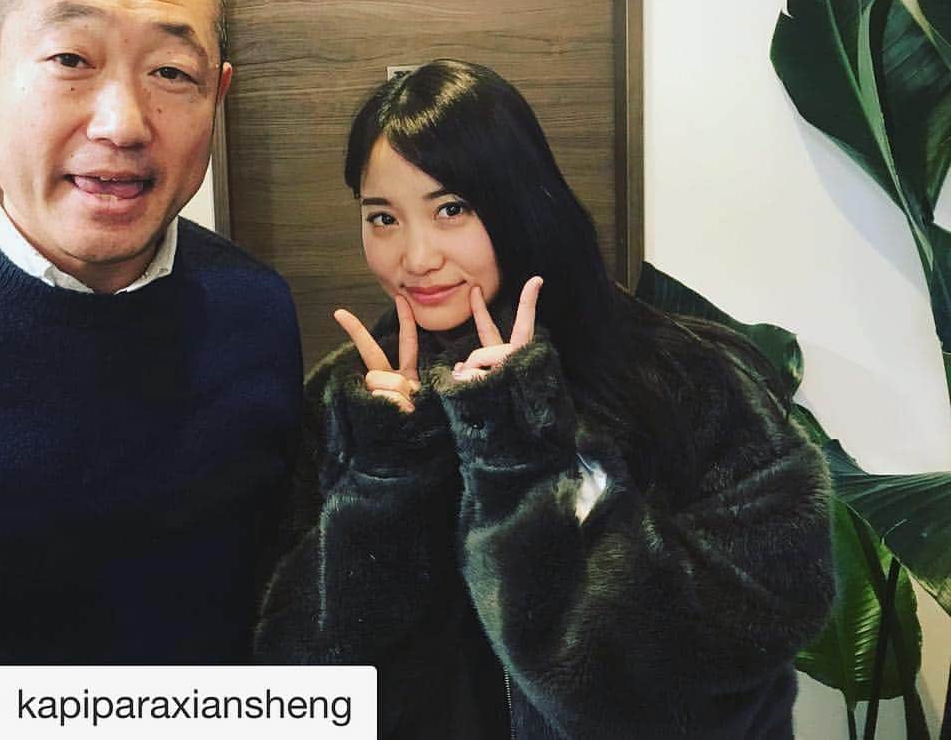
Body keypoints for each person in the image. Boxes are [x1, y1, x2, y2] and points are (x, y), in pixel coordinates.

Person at [254, 60, 834, 738]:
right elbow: (304, 687)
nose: (415, 257)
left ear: (519, 200)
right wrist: (388, 475)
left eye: (451, 209)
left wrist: (522, 456)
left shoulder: (683, 375)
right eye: (382, 217)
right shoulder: (350, 400)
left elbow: (742, 634)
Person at [0, 0, 302, 664]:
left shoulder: (257, 307)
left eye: (172, 73)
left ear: (218, 95)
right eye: (71, 58)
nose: (123, 124)